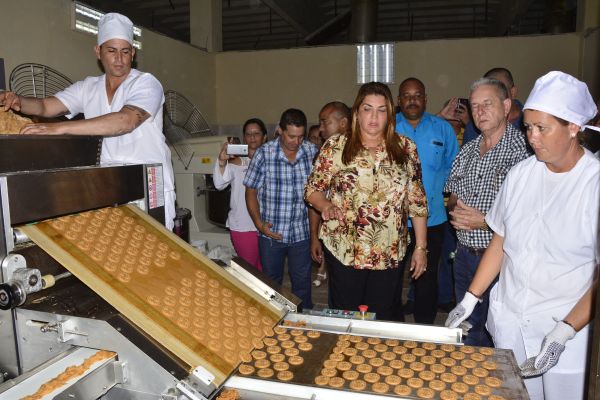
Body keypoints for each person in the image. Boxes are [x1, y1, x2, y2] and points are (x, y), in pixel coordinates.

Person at [446, 71, 599, 400]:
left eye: (542, 128)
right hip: (512, 318)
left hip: (566, 327)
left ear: (574, 127)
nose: (532, 137)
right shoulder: (522, 175)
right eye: (528, 127)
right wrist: (470, 299)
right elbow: (501, 241)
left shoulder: (594, 184)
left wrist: (564, 331)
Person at [0, 13, 175, 229]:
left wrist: (60, 129)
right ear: (98, 51)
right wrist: (19, 101)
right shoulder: (88, 87)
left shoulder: (146, 84)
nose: (119, 59)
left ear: (133, 53)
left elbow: (125, 121)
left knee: (155, 252)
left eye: (125, 51)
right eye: (111, 51)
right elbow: (46, 106)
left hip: (150, 185)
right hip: (111, 185)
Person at [305, 82, 428, 321]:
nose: (374, 117)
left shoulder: (405, 149)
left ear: (390, 113)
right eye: (367, 109)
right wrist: (325, 205)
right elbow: (313, 190)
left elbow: (417, 202)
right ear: (356, 112)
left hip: (389, 251)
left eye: (382, 110)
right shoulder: (336, 146)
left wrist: (421, 248)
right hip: (345, 250)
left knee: (383, 314)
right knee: (348, 314)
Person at [444, 77, 530, 346]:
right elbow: (451, 193)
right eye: (474, 106)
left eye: (487, 104)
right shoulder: (468, 149)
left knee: (499, 333)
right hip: (464, 257)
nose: (479, 111)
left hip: (502, 261)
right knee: (467, 329)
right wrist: (455, 209)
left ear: (506, 106)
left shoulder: (524, 150)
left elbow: (530, 214)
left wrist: (486, 222)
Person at [395, 77, 458, 324]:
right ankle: (393, 326)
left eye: (417, 95)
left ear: (425, 98)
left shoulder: (442, 129)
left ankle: (424, 329)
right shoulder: (387, 128)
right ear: (399, 101)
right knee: (392, 277)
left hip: (433, 219)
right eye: (407, 96)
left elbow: (454, 167)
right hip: (394, 222)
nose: (412, 100)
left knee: (427, 277)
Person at [244, 108, 318, 309]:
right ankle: (274, 321)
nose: (297, 142)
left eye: (301, 137)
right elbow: (250, 191)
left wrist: (314, 236)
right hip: (271, 234)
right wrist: (259, 224)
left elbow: (316, 196)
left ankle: (303, 322)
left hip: (301, 234)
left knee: (302, 284)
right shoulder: (264, 154)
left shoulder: (311, 152)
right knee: (271, 283)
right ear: (280, 131)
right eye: (292, 136)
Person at [213, 118, 267, 271]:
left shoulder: (271, 160)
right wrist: (222, 161)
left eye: (256, 133)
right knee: (251, 271)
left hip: (267, 224)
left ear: (264, 137)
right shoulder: (237, 162)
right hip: (243, 226)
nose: (252, 137)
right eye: (248, 134)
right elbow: (218, 184)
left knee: (266, 270)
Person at [310, 101, 351, 289]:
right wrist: (314, 237)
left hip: (360, 244)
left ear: (343, 123)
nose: (321, 129)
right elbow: (314, 197)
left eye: (325, 123)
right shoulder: (325, 155)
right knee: (339, 292)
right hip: (334, 238)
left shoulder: (361, 154)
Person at [462, 67, 524, 145]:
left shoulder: (530, 123)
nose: (480, 111)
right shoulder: (473, 127)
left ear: (513, 92)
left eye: (487, 103)